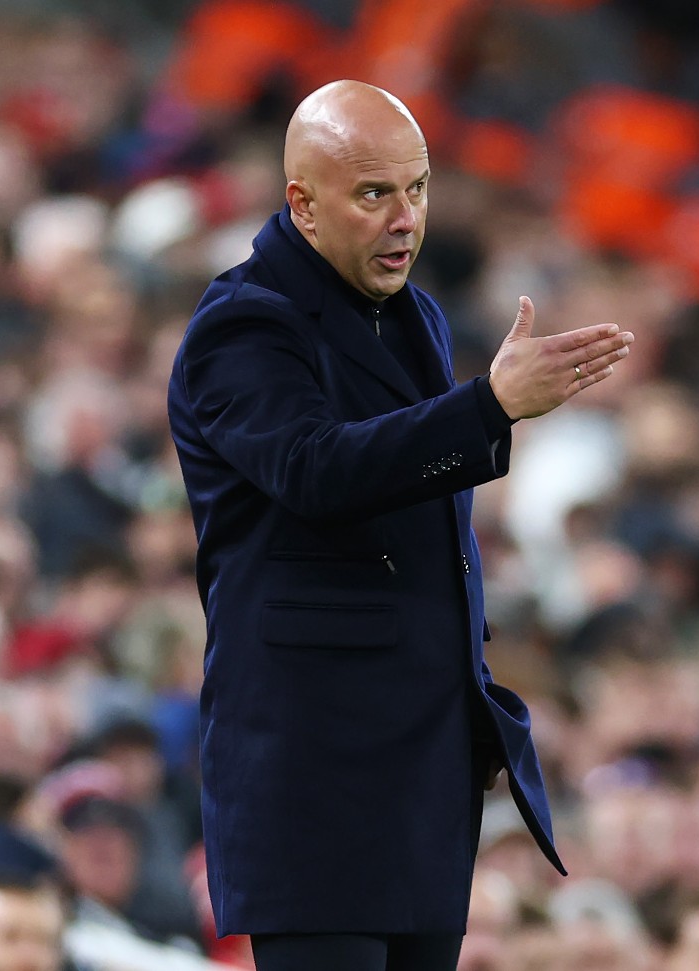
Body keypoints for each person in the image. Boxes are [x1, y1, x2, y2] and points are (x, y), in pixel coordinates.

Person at [167, 79, 634, 971]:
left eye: (417, 188)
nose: (405, 218)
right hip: (312, 763)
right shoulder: (243, 322)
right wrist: (488, 406)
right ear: (303, 203)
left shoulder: (415, 313)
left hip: (419, 762)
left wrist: (464, 688)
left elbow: (426, 526)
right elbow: (315, 471)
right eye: (374, 193)